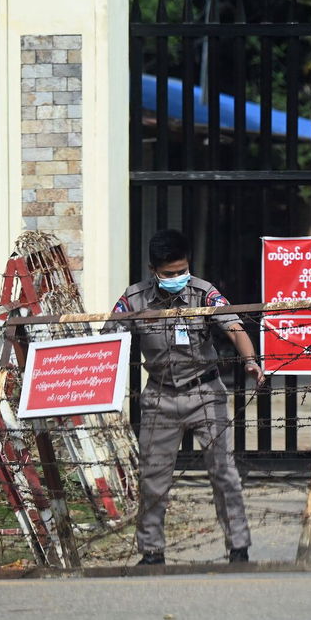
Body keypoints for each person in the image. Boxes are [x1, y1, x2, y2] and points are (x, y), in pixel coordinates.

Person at [105, 229, 264, 566]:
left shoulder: (203, 293)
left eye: (182, 271)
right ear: (153, 269)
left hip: (205, 393)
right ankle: (151, 551)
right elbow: (108, 339)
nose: (177, 278)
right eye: (169, 273)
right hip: (159, 396)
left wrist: (250, 360)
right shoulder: (133, 300)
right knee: (153, 478)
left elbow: (234, 327)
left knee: (224, 473)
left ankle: (239, 547)